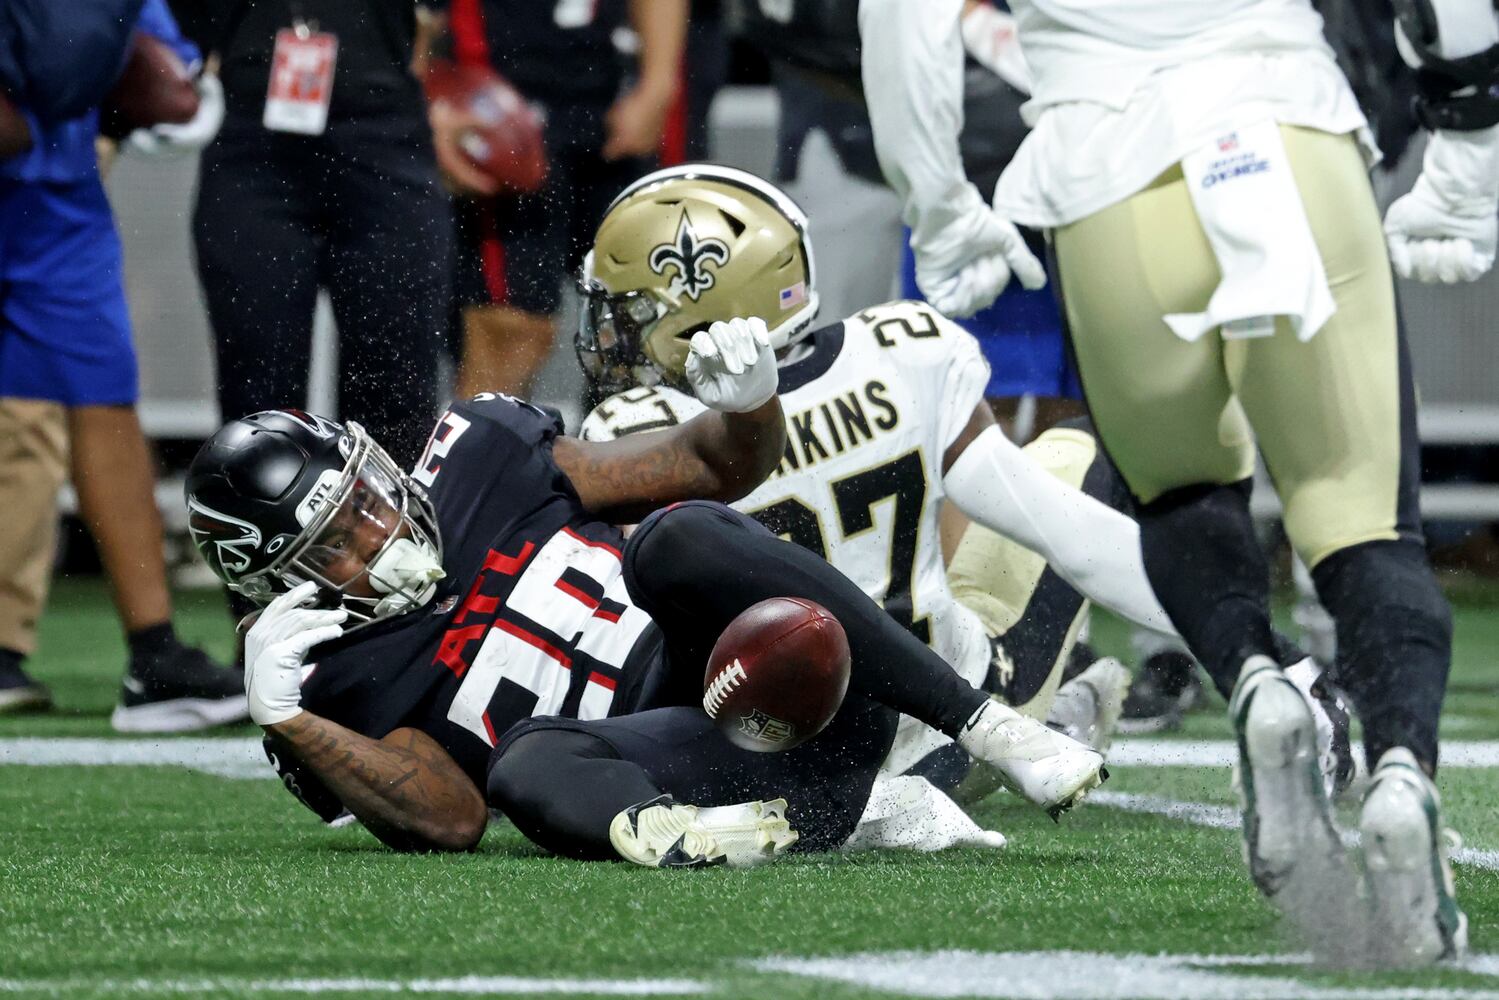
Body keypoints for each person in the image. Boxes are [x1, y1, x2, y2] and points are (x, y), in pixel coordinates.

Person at [857, 0, 1491, 966]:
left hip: (1107, 174)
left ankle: (1250, 679)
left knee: (1183, 495)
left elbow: (904, 22)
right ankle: (1401, 769)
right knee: (1362, 527)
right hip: (1289, 130)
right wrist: (1466, 154)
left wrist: (938, 203)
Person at [185, 320, 1107, 866]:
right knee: (522, 759)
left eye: (366, 501)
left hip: (788, 671)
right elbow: (452, 817)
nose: (378, 535)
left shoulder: (477, 454)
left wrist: (750, 402)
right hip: (688, 765)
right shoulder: (325, 677)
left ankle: (989, 725)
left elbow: (710, 466)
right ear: (277, 581)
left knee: (675, 535)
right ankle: (718, 836)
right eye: (335, 544)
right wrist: (293, 722)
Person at [575, 164, 1346, 788]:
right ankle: (1057, 717)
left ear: (704, 305)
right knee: (1077, 454)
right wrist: (1264, 654)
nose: (612, 334)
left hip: (782, 747)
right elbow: (1064, 535)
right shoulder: (899, 349)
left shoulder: (635, 433)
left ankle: (1058, 718)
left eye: (631, 312)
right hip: (957, 721)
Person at [0, 0, 246, 729]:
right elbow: (182, 97)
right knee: (96, 406)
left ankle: (154, 652)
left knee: (103, 401)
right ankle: (151, 653)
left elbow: (177, 88)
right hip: (53, 181)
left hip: (55, 190)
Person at [191, 0, 453, 470]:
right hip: (253, 134)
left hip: (384, 124)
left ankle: (393, 539)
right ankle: (258, 539)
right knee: (257, 401)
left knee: (395, 397)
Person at [437, 0, 687, 402]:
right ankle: (480, 462)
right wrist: (431, 92)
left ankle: (622, 458)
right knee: (510, 330)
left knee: (643, 328)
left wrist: (658, 79)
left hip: (613, 88)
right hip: (498, 94)